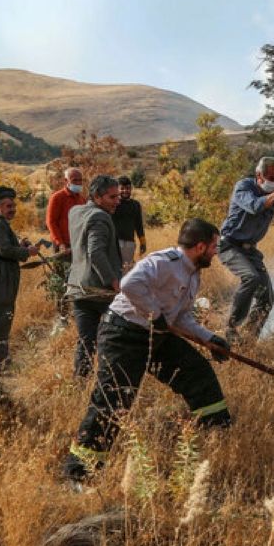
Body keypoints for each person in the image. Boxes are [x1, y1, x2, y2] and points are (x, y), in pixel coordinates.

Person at [63, 218, 232, 484]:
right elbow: (130, 285)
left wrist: (211, 338)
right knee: (114, 401)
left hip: (157, 336)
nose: (216, 252)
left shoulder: (192, 275)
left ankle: (219, 435)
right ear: (200, 246)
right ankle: (79, 475)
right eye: (214, 246)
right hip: (123, 334)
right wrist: (154, 315)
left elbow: (180, 318)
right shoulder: (165, 262)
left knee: (198, 374)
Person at [218, 156, 274, 341]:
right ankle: (232, 328)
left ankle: (249, 337)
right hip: (230, 245)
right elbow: (255, 206)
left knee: (267, 298)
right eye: (270, 177)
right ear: (259, 175)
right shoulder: (244, 187)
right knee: (251, 277)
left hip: (250, 251)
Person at [0, 186, 39, 368]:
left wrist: (19, 245)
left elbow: (4, 247)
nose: (13, 209)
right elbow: (4, 250)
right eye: (8, 206)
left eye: (13, 205)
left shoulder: (0, 223)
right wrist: (26, 251)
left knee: (2, 313)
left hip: (1, 271)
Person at [66, 175, 123, 379]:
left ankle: (80, 383)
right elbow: (96, 252)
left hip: (78, 289)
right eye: (112, 197)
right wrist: (113, 281)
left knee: (85, 341)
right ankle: (111, 384)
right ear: (98, 197)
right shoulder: (100, 217)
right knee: (114, 340)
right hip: (99, 290)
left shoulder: (75, 212)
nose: (118, 200)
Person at [46, 167, 86, 253]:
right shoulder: (57, 197)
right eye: (75, 180)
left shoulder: (82, 199)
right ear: (66, 181)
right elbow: (51, 222)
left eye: (80, 180)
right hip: (63, 245)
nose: (78, 183)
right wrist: (60, 243)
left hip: (78, 244)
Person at [113, 175, 146, 272]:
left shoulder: (135, 205)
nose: (125, 191)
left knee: (126, 269)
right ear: (117, 189)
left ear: (131, 189)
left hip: (129, 243)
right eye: (122, 188)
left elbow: (139, 225)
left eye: (127, 188)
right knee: (114, 267)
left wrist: (143, 242)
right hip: (114, 242)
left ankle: (124, 287)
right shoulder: (114, 203)